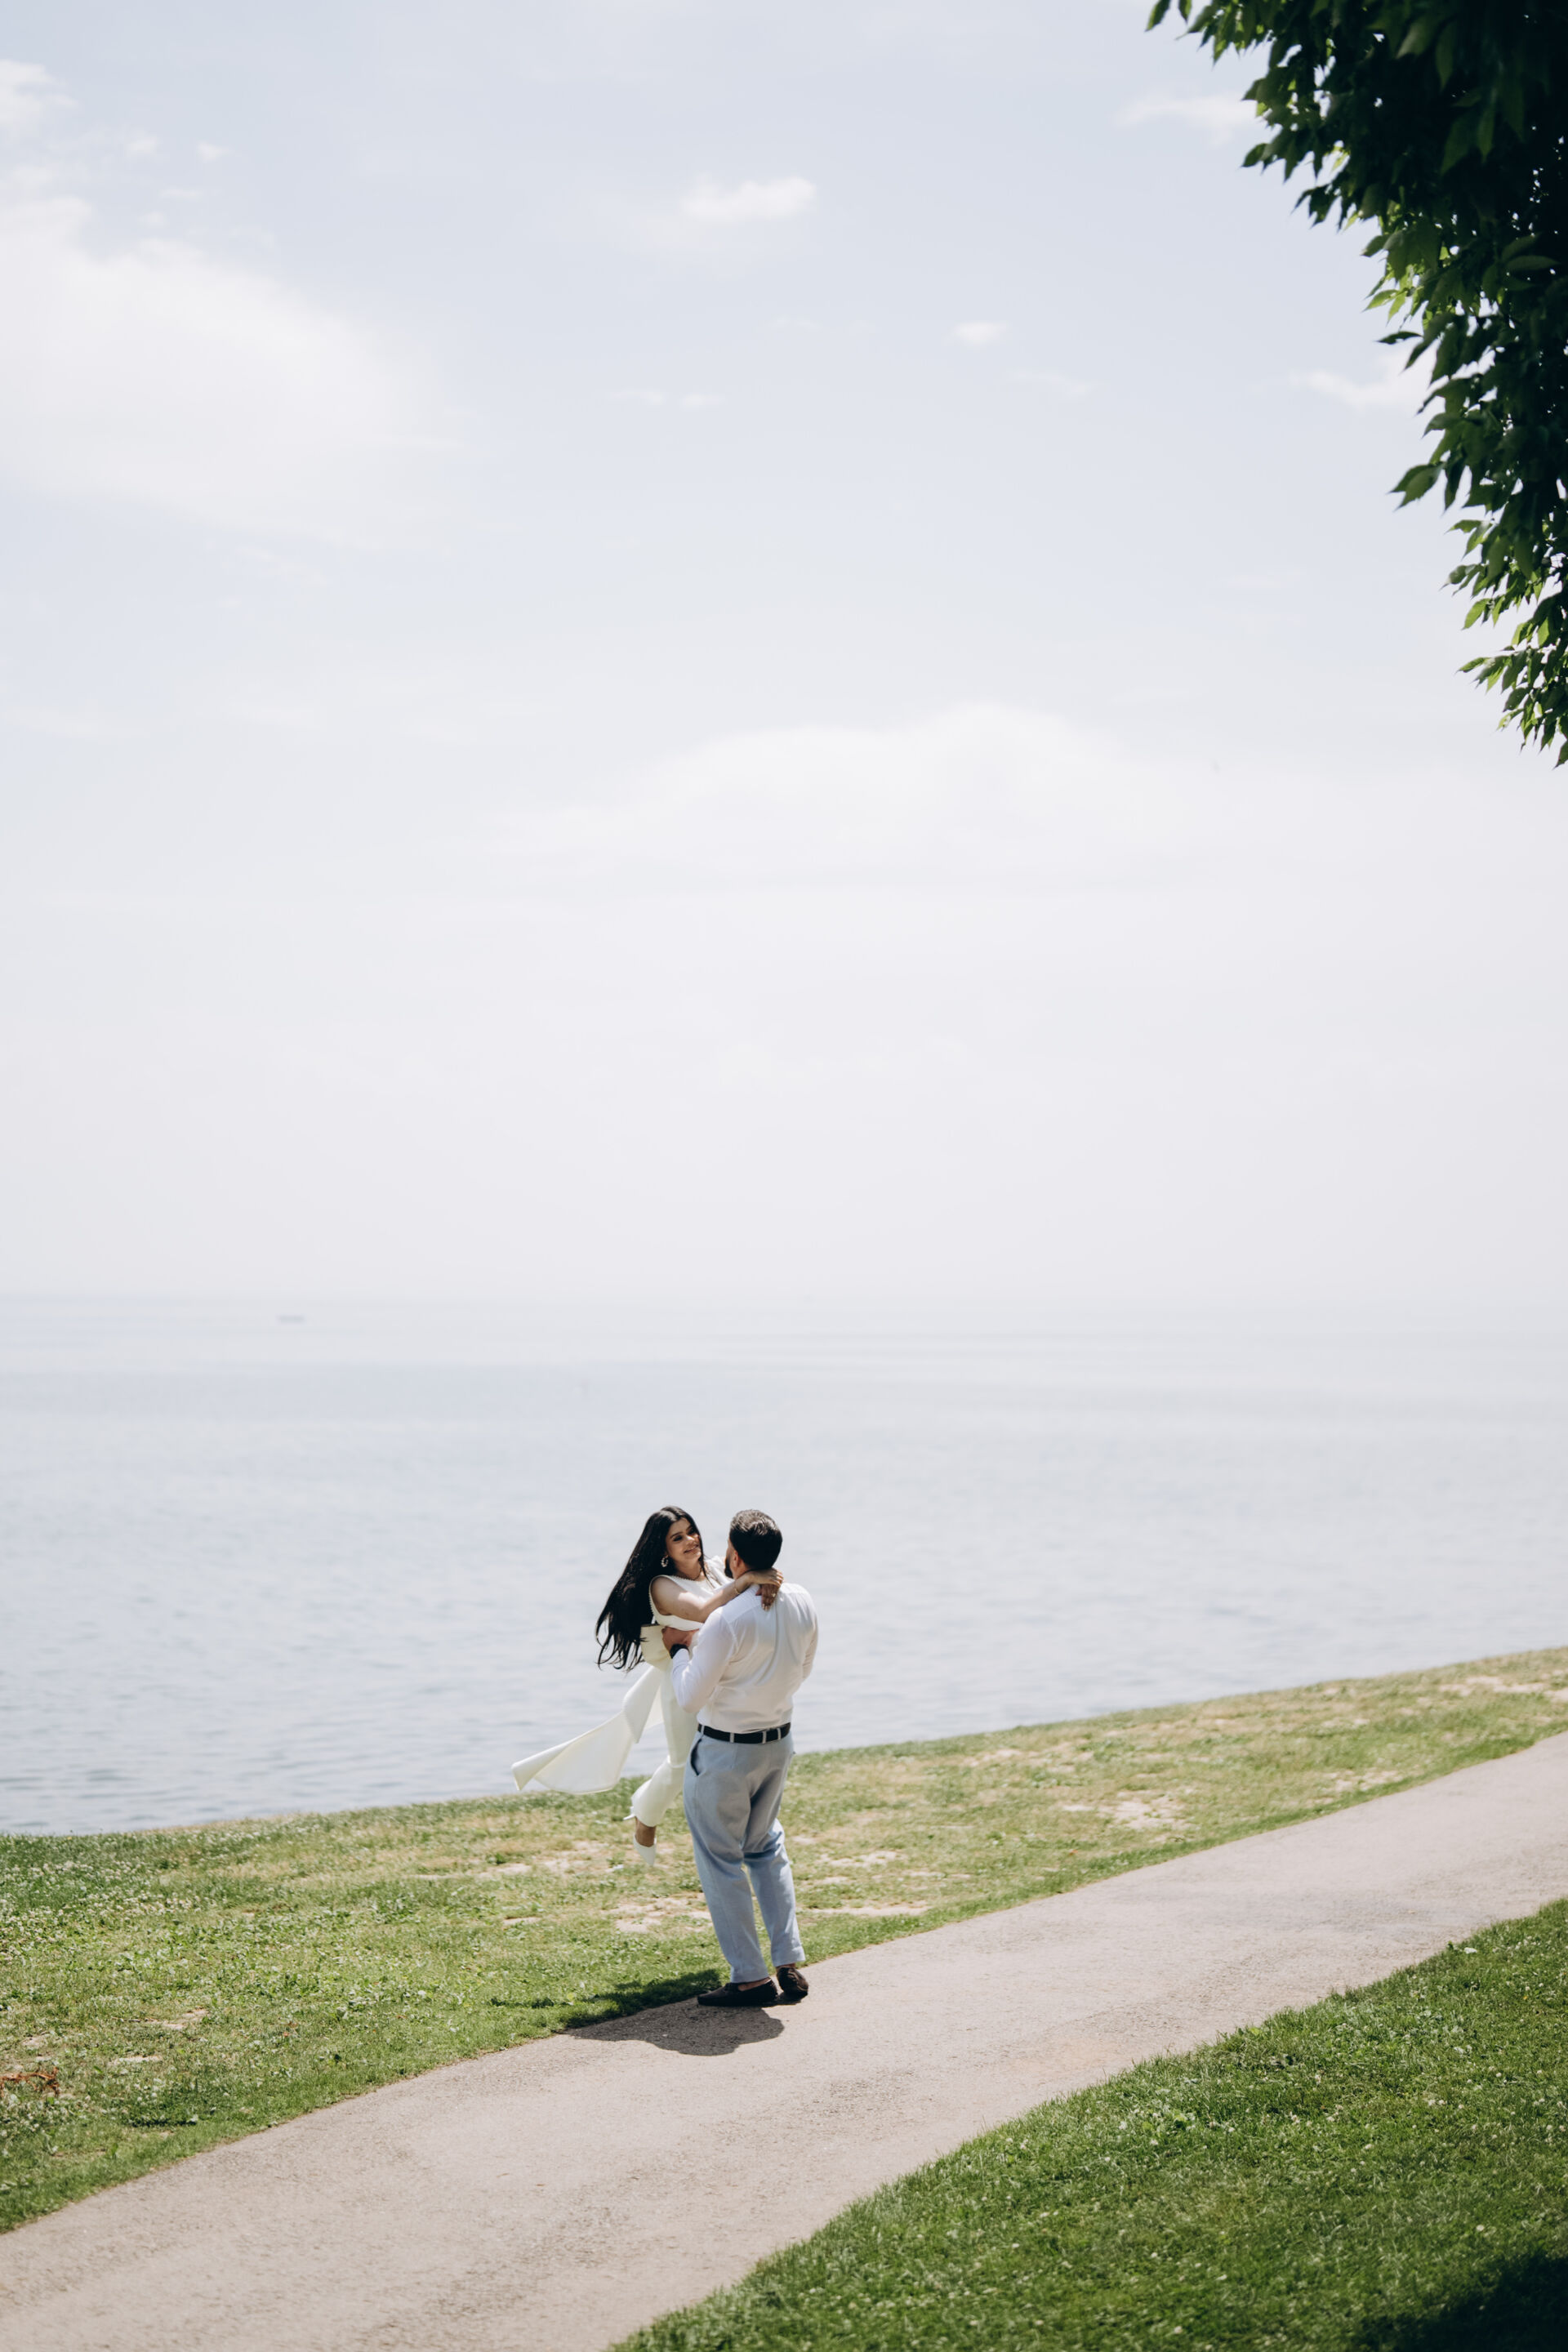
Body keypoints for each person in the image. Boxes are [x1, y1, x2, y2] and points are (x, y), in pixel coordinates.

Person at [510, 1505, 779, 1865]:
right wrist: (747, 1581)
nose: (690, 1540)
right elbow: (703, 1611)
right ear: (663, 1550)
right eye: (678, 1538)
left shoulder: (716, 1569)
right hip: (683, 1681)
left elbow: (744, 1587)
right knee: (683, 1764)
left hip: (724, 1680)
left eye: (691, 1531)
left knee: (726, 1755)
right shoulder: (661, 1586)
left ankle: (742, 1830)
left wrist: (767, 1581)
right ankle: (646, 1816)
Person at [662, 1508, 818, 2010]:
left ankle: (750, 1978)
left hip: (725, 1750)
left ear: (733, 1554)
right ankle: (787, 1960)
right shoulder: (803, 1599)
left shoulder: (724, 1621)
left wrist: (680, 1650)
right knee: (767, 1846)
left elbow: (690, 1697)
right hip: (779, 1743)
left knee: (720, 1857)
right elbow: (803, 1670)